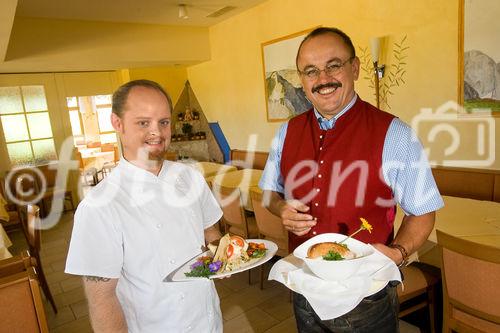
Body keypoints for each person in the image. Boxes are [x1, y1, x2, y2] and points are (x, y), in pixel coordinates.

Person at [259, 27, 444, 332]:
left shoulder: (395, 134)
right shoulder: (285, 132)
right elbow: (268, 193)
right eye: (310, 71)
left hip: (366, 296)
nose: (322, 79)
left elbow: (423, 210)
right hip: (304, 287)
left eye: (333, 65)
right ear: (302, 80)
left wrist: (399, 251)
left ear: (355, 68)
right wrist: (280, 208)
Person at [65, 80, 223, 332]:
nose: (157, 133)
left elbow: (211, 232)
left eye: (163, 122)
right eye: (143, 123)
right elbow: (102, 300)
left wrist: (222, 257)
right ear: (117, 123)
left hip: (209, 320)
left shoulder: (191, 177)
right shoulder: (98, 206)